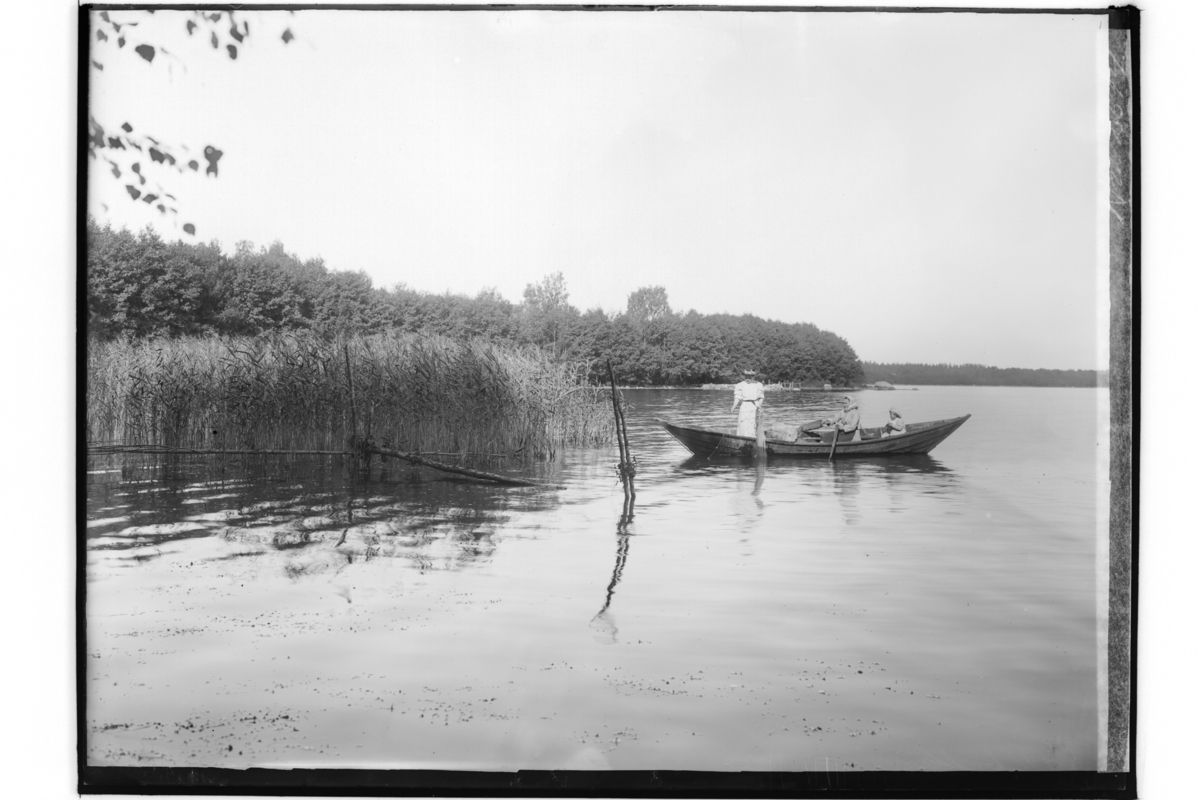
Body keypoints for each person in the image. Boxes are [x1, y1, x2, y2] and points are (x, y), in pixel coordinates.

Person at [731, 370, 764, 437]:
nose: (748, 378)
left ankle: (752, 438)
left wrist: (758, 406)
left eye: (751, 376)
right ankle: (742, 438)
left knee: (753, 424)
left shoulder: (758, 385)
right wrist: (733, 406)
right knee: (743, 422)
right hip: (744, 406)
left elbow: (761, 397)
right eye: (747, 376)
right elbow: (737, 397)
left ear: (754, 376)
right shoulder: (740, 385)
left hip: (754, 405)